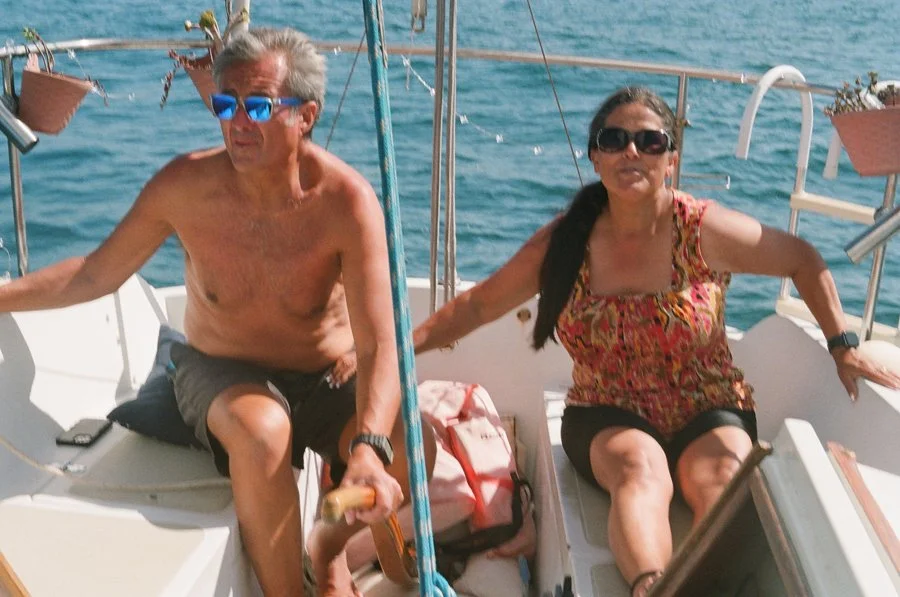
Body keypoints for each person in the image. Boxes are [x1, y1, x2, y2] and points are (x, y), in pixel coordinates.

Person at [412, 86, 900, 596]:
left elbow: (801, 258)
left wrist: (843, 345)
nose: (631, 151)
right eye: (614, 139)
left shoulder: (701, 230)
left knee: (722, 478)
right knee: (639, 470)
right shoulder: (566, 243)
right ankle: (652, 588)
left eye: (649, 141)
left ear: (671, 159)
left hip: (708, 401)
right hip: (605, 407)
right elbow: (479, 305)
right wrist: (402, 350)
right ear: (595, 157)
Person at [0, 27, 436, 596]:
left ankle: (327, 544)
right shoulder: (184, 186)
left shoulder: (346, 203)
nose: (238, 122)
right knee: (264, 433)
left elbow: (378, 342)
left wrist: (369, 450)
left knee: (413, 442)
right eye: (226, 105)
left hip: (324, 374)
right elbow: (94, 273)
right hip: (220, 372)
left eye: (259, 106)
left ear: (305, 116)